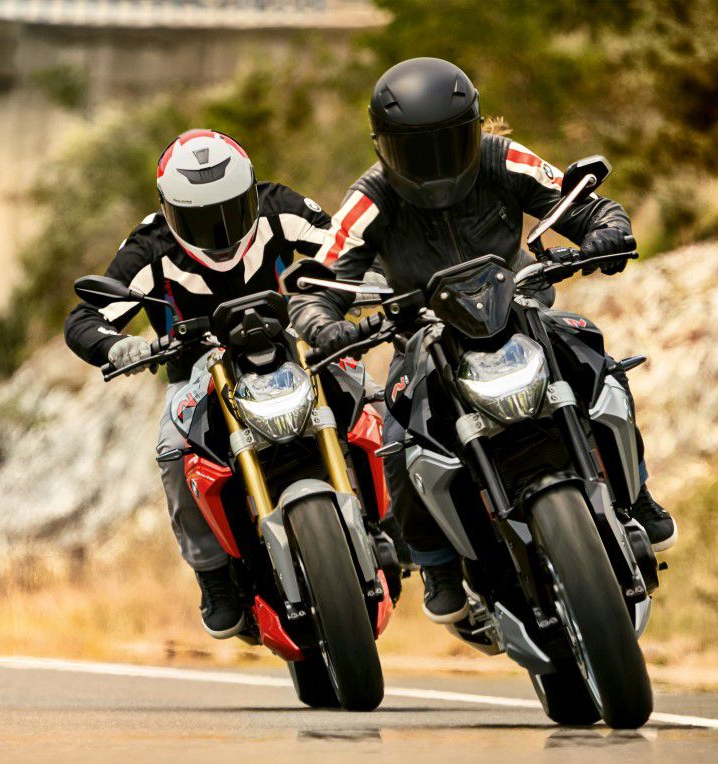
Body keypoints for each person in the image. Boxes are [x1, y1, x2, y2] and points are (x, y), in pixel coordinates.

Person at [290, 57, 677, 624]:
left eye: (448, 145)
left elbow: (578, 201)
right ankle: (438, 563)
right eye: (416, 151)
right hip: (425, 337)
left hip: (518, 310)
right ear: (384, 148)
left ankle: (635, 494)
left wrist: (607, 231)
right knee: (397, 431)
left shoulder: (502, 158)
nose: (435, 165)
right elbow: (318, 282)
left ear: (472, 130)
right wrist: (326, 324)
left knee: (594, 356)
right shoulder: (370, 198)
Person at [64, 129, 335, 638]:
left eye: (232, 210)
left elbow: (346, 245)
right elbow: (85, 317)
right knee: (173, 450)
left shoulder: (280, 207)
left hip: (290, 347)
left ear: (251, 191)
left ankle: (399, 527)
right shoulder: (150, 247)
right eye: (201, 218)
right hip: (198, 372)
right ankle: (213, 574)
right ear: (169, 211)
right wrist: (117, 346)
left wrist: (348, 284)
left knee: (364, 389)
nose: (221, 229)